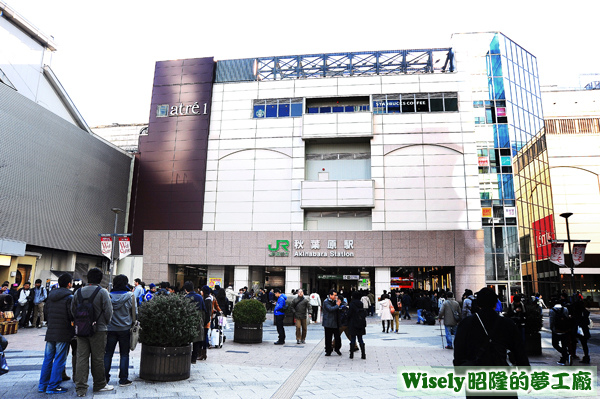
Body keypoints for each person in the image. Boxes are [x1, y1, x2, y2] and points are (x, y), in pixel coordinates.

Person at [454, 287, 529, 369]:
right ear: (495, 304)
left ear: (478, 304)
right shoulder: (507, 324)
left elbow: (458, 353)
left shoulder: (466, 323)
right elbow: (520, 353)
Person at [71, 267, 114, 397]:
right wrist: (104, 323)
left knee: (81, 358)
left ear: (87, 278)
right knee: (98, 358)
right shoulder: (102, 292)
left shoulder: (78, 292)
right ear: (100, 279)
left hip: (81, 330)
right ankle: (99, 384)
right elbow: (108, 312)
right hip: (99, 330)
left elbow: (73, 311)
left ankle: (81, 388)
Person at [38, 273, 74, 394]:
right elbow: (71, 315)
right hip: (63, 331)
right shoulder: (69, 297)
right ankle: (53, 385)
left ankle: (42, 385)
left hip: (51, 331)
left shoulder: (50, 296)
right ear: (69, 284)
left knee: (48, 358)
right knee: (60, 359)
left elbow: (46, 312)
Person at [104, 274, 136, 387]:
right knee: (124, 354)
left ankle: (105, 378)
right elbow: (134, 314)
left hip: (110, 328)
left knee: (108, 354)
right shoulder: (130, 296)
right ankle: (123, 379)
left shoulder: (108, 296)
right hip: (125, 329)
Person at [184, 281, 206, 364]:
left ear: (186, 289)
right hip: (198, 320)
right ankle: (194, 358)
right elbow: (204, 310)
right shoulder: (199, 297)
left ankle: (186, 356)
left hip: (188, 320)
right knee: (197, 341)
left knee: (187, 339)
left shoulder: (185, 298)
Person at [549, 300, 571, 365]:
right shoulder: (565, 309)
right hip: (565, 330)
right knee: (564, 344)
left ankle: (565, 355)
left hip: (556, 330)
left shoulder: (552, 311)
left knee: (555, 344)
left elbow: (551, 321)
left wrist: (552, 329)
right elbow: (567, 319)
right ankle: (564, 358)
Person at [347, 291, 367, 359]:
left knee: (353, 338)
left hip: (353, 323)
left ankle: (351, 354)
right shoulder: (361, 303)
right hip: (360, 323)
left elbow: (349, 314)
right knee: (360, 339)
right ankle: (363, 354)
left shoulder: (352, 304)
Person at [322, 290, 342, 356]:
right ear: (330, 295)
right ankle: (328, 350)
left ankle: (337, 348)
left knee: (337, 337)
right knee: (328, 338)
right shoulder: (326, 302)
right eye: (334, 295)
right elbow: (330, 309)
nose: (335, 296)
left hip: (335, 322)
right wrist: (337, 305)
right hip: (328, 323)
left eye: (336, 295)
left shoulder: (335, 301)